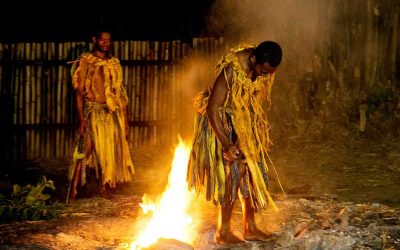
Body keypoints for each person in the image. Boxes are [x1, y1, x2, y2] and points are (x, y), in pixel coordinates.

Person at [187, 41, 283, 243]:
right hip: (220, 121)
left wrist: (257, 122)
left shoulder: (260, 69)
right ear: (254, 59)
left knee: (250, 172)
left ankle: (250, 227)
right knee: (235, 172)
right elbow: (212, 108)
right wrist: (226, 144)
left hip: (241, 120)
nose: (264, 76)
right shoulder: (232, 69)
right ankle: (223, 232)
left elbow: (250, 97)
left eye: (268, 73)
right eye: (262, 71)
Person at [67, 29, 134, 203]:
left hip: (112, 113)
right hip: (93, 112)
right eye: (102, 40)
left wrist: (125, 121)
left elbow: (119, 94)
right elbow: (79, 93)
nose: (106, 43)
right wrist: (81, 119)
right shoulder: (86, 61)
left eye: (108, 41)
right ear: (94, 39)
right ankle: (73, 191)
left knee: (109, 150)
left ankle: (104, 188)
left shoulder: (114, 63)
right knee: (85, 150)